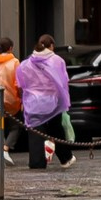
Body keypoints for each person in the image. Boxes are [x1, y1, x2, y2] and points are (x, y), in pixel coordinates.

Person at [15, 38, 75, 169]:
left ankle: (36, 162)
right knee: (56, 129)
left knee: (35, 132)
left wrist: (24, 99)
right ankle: (66, 158)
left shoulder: (25, 64)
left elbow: (20, 85)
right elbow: (63, 81)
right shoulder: (57, 61)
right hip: (52, 102)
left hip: (33, 104)